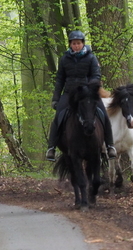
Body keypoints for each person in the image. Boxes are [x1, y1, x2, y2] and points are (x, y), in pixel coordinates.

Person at [46, 30, 117, 162]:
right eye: (74, 43)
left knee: (103, 115)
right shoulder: (64, 59)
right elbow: (60, 79)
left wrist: (88, 88)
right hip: (69, 94)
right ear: (70, 45)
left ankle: (110, 146)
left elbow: (96, 76)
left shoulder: (91, 58)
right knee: (58, 117)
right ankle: (51, 148)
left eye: (78, 43)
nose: (76, 45)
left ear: (83, 44)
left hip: (88, 94)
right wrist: (56, 98)